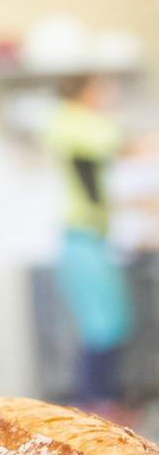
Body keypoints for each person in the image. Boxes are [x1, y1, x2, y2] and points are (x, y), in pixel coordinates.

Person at [44, 74, 158, 420]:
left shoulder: (86, 131)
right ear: (83, 93)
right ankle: (96, 406)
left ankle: (105, 403)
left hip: (95, 240)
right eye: (102, 90)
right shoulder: (69, 124)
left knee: (111, 325)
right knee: (101, 327)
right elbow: (116, 142)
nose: (109, 96)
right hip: (82, 240)